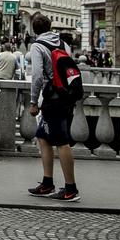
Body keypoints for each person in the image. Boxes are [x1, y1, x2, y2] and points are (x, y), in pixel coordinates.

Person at [26, 13, 81, 202]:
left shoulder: (38, 46)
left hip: (53, 99)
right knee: (43, 137)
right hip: (65, 96)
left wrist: (34, 102)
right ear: (50, 27)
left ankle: (71, 189)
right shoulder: (63, 44)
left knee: (62, 142)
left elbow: (37, 76)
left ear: (34, 29)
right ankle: (47, 183)